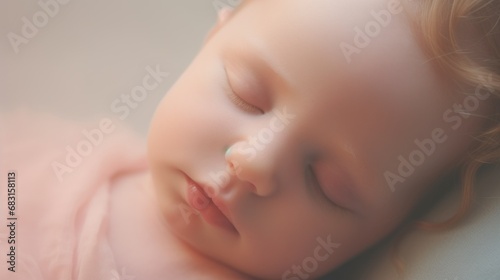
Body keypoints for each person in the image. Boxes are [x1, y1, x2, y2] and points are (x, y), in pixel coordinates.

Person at [1, 0, 498, 279]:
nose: (251, 162)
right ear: (216, 33)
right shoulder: (66, 150)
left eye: (325, 184)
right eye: (247, 95)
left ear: (395, 229)